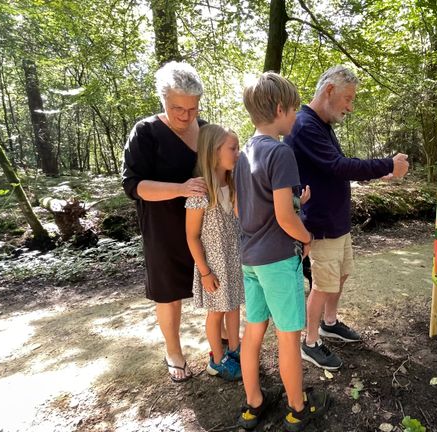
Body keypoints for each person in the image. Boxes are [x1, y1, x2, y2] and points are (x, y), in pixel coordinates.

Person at [284, 65, 409, 370]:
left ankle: (329, 322)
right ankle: (310, 342)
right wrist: (386, 163)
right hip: (320, 223)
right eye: (348, 98)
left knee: (341, 274)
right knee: (323, 283)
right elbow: (339, 166)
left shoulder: (321, 124)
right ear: (329, 91)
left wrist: (380, 174)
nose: (350, 107)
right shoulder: (305, 125)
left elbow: (335, 169)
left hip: (337, 221)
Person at [235, 72, 329, 432]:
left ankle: (254, 404)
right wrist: (306, 238)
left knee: (254, 331)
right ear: (279, 108)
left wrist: (291, 201)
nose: (296, 118)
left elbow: (244, 210)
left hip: (250, 259)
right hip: (277, 259)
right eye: (293, 110)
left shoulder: (244, 153)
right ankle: (297, 408)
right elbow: (284, 216)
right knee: (289, 337)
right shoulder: (281, 151)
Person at [122, 61, 207, 383]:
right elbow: (134, 186)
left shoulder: (207, 129)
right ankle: (174, 352)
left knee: (218, 282)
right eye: (177, 109)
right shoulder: (146, 133)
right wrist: (181, 189)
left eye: (192, 108)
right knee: (169, 293)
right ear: (162, 101)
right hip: (164, 229)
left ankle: (223, 344)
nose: (186, 116)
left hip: (206, 227)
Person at [185, 124, 244, 381]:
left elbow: (240, 219)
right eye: (233, 148)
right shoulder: (200, 193)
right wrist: (205, 272)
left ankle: (235, 348)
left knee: (233, 308)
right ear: (213, 152)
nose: (238, 152)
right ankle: (217, 359)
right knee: (217, 312)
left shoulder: (231, 185)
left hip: (233, 260)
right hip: (214, 267)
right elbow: (192, 236)